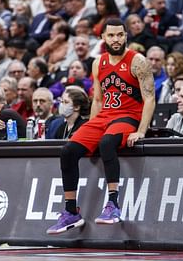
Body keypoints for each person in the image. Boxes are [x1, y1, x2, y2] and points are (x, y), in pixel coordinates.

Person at [46, 18, 155, 234]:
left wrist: (141, 130)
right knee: (68, 150)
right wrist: (92, 125)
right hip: (104, 116)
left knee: (107, 143)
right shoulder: (99, 63)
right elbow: (97, 99)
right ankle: (71, 213)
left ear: (126, 36)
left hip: (128, 117)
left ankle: (113, 205)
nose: (116, 39)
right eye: (111, 35)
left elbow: (150, 98)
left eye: (120, 35)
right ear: (103, 37)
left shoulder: (138, 61)